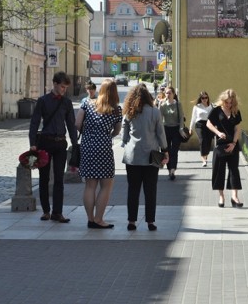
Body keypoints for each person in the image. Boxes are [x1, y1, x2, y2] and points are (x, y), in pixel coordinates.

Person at [29, 71, 78, 223]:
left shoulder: (67, 102)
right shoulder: (43, 101)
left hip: (60, 143)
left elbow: (71, 124)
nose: (64, 90)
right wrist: (32, 144)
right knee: (44, 178)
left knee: (59, 178)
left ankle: (57, 212)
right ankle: (45, 211)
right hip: (45, 142)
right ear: (55, 84)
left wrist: (75, 144)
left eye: (66, 88)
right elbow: (35, 123)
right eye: (62, 87)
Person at [75, 79, 122, 229]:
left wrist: (88, 133)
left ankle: (90, 219)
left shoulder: (87, 103)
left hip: (87, 146)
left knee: (90, 185)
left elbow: (77, 124)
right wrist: (106, 134)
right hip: (104, 148)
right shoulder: (116, 109)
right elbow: (117, 130)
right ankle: (99, 219)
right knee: (106, 185)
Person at [121, 84, 168, 231]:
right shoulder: (155, 112)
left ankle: (132, 221)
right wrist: (165, 150)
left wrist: (126, 142)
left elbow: (124, 135)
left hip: (132, 156)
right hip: (151, 156)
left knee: (133, 190)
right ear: (148, 96)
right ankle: (150, 222)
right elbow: (160, 133)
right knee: (150, 190)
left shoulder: (129, 112)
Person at [206, 89, 243, 208]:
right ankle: (221, 197)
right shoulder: (216, 111)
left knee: (234, 170)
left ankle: (234, 197)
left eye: (231, 102)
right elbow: (208, 124)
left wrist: (233, 143)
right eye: (227, 102)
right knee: (219, 171)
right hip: (220, 145)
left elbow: (238, 129)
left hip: (233, 145)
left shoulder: (236, 112)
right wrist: (217, 133)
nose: (229, 104)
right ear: (222, 100)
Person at [158, 86, 185, 181]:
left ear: (174, 94)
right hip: (165, 129)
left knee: (174, 151)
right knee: (166, 151)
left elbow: (181, 117)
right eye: (166, 93)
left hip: (176, 130)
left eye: (170, 93)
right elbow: (159, 119)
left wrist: (181, 129)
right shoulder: (162, 104)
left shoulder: (178, 104)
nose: (168, 95)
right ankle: (169, 169)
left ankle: (173, 169)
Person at [189, 91, 214, 167]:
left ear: (208, 98)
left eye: (206, 97)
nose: (204, 99)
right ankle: (204, 160)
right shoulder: (197, 106)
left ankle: (205, 156)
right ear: (200, 98)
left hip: (209, 125)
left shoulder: (211, 106)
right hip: (199, 125)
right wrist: (190, 128)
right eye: (203, 98)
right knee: (202, 140)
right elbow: (193, 118)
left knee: (208, 141)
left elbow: (214, 117)